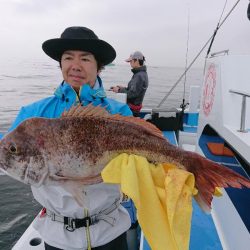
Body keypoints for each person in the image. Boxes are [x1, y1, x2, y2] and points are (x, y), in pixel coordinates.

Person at [4, 26, 133, 250]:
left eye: (85, 58)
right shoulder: (32, 115)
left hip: (110, 230)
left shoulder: (119, 113)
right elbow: (7, 155)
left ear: (98, 66)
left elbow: (136, 168)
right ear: (61, 64)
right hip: (58, 237)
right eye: (68, 58)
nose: (75, 65)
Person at [110, 51, 148, 117]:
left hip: (132, 110)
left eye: (131, 61)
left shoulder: (139, 76)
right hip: (134, 109)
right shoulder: (141, 74)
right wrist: (122, 88)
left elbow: (132, 94)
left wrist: (119, 90)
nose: (130, 63)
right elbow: (134, 90)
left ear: (136, 61)